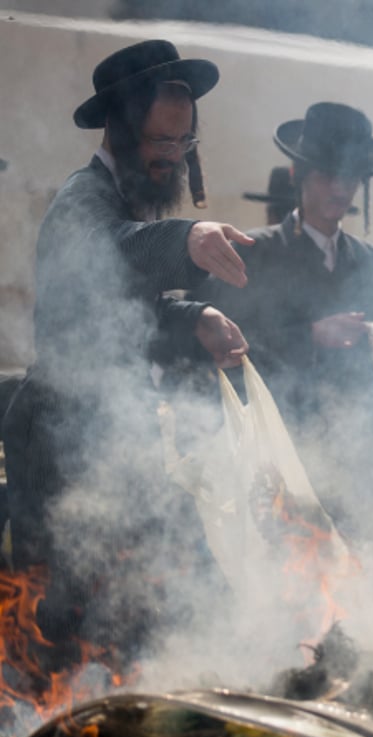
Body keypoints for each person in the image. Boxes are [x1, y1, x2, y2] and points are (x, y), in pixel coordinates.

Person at [1, 39, 251, 660]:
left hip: (118, 439)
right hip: (61, 448)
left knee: (159, 604)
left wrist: (196, 317)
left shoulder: (126, 197)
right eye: (160, 144)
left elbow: (120, 311)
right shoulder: (81, 202)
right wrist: (185, 237)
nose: (172, 159)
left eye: (183, 145)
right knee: (63, 631)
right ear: (118, 129)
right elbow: (111, 248)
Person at [195, 102, 373, 533]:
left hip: (359, 461)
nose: (339, 187)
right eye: (327, 174)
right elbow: (222, 356)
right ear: (298, 175)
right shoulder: (255, 254)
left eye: (349, 176)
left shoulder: (370, 262)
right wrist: (310, 337)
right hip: (278, 454)